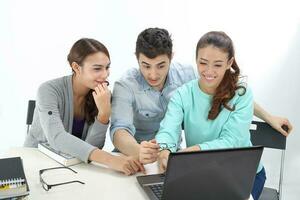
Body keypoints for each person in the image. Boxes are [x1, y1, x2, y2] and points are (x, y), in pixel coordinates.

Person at [110, 28, 293, 165]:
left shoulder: (186, 76)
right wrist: (164, 150)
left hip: (226, 164)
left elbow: (230, 97)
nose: (153, 75)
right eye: (146, 65)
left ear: (171, 57)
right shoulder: (131, 85)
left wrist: (268, 117)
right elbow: (164, 128)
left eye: (160, 65)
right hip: (145, 156)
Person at [140, 31, 266, 200]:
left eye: (218, 65)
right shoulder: (183, 94)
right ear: (196, 60)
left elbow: (233, 141)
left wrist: (189, 153)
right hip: (201, 171)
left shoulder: (242, 93)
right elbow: (168, 129)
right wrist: (164, 150)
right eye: (203, 63)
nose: (209, 71)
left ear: (229, 63)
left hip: (242, 173)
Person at [24, 38, 144, 175]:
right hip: (36, 164)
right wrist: (112, 160)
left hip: (74, 168)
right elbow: (57, 137)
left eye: (107, 67)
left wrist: (103, 115)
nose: (105, 74)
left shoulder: (102, 96)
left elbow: (93, 147)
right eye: (97, 68)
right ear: (76, 67)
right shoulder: (48, 90)